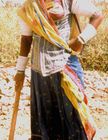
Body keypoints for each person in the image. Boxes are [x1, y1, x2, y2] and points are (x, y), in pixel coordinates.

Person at [15, 0, 104, 139]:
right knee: (47, 122)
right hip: (40, 74)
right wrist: (20, 71)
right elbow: (26, 40)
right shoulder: (30, 6)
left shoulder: (69, 2)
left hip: (65, 69)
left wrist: (81, 39)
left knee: (73, 121)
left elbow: (98, 16)